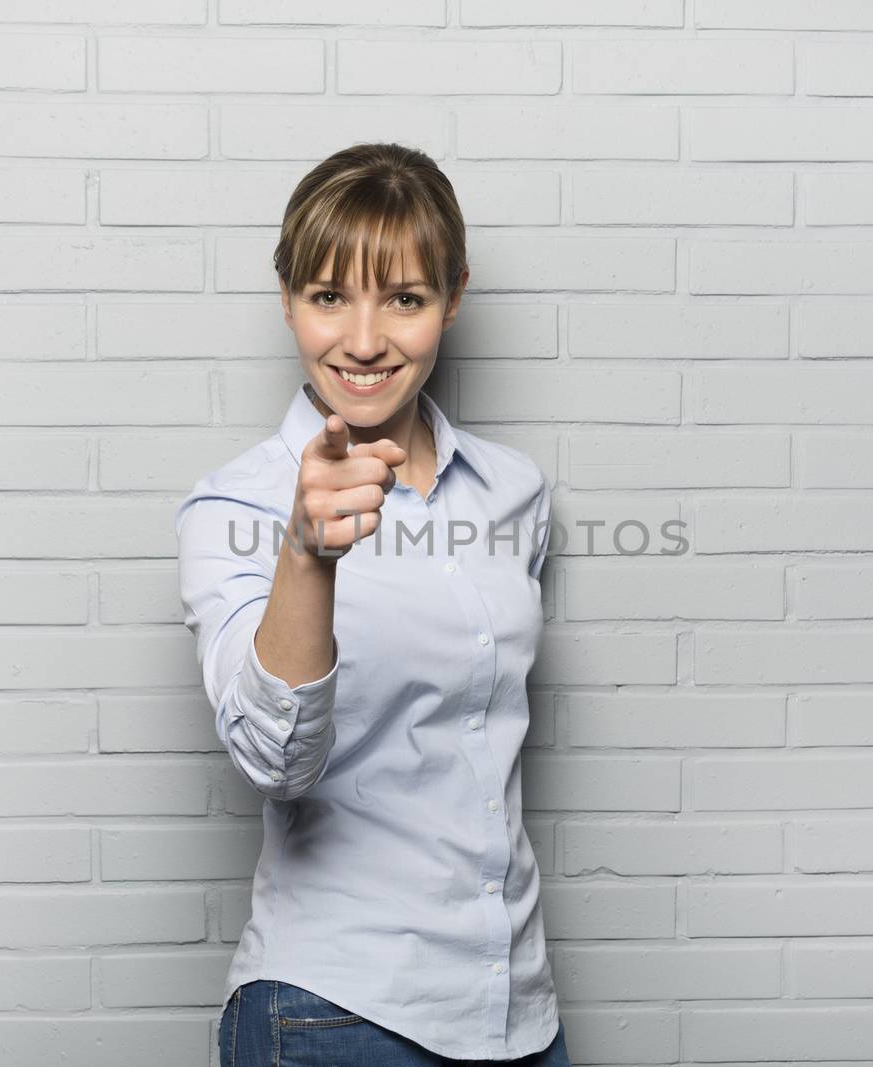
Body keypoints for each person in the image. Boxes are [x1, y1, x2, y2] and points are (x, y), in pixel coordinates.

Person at [174, 143, 569, 1066]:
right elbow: (274, 759)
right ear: (287, 300)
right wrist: (308, 554)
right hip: (333, 1011)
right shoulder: (237, 505)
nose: (362, 340)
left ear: (452, 297)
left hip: (517, 1011)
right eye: (327, 297)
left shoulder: (514, 493)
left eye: (403, 297)